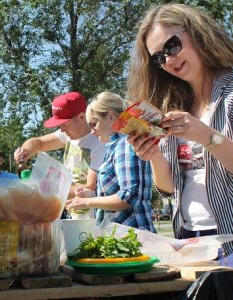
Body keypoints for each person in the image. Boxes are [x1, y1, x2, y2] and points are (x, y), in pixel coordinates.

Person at [126, 3, 233, 255]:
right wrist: (154, 156)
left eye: (172, 45)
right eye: (159, 58)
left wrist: (206, 136)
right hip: (191, 239)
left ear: (197, 32)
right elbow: (170, 189)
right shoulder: (173, 106)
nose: (169, 59)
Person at [65, 92, 156, 232]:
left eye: (93, 124)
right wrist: (94, 195)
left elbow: (129, 196)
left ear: (111, 116)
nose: (92, 131)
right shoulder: (113, 146)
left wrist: (87, 202)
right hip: (124, 238)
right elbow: (119, 193)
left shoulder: (125, 144)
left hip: (134, 239)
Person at [14, 92, 105, 193]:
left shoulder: (99, 142)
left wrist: (48, 192)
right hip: (70, 207)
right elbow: (39, 142)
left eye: (64, 125)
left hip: (91, 208)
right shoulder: (67, 134)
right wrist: (26, 151)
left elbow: (90, 187)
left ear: (81, 117)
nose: (61, 130)